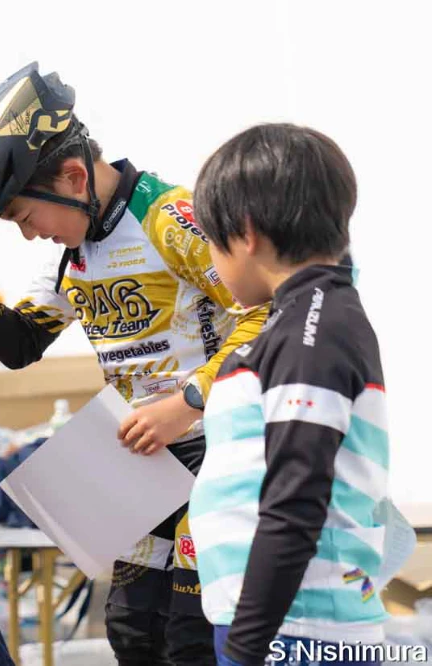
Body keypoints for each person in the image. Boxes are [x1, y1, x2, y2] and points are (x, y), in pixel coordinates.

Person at [0, 63, 267, 665]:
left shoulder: (169, 218)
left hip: (215, 454)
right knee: (132, 634)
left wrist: (189, 401)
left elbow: (267, 313)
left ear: (75, 177)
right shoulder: (74, 252)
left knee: (191, 642)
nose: (30, 235)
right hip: (140, 467)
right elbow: (19, 343)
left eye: (25, 217)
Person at [188, 124, 388, 666]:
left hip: (297, 633)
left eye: (212, 240)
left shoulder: (311, 329)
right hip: (282, 627)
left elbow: (296, 499)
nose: (213, 259)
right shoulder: (305, 320)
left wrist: (248, 647)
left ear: (246, 231)